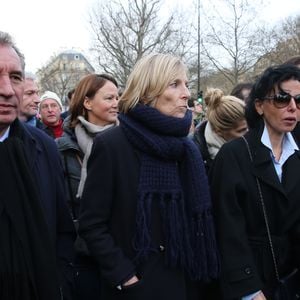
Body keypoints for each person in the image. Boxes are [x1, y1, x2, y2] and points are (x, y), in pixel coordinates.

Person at [78, 53, 219, 300]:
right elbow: (92, 224)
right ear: (146, 93)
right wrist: (126, 278)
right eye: (174, 84)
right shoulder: (112, 145)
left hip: (189, 283)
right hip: (140, 288)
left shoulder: (187, 148)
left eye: (186, 84)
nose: (186, 93)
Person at [209, 64, 300, 299]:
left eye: (299, 100)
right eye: (282, 98)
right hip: (251, 284)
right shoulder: (233, 155)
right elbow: (227, 229)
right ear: (259, 105)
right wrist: (248, 289)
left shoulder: (297, 154)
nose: (292, 107)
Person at [0, 31, 75, 299]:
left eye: (15, 77)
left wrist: (60, 282)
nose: (7, 90)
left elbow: (62, 228)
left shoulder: (44, 147)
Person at [56, 73, 119, 300]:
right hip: (80, 259)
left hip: (120, 256)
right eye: (109, 98)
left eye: (117, 97)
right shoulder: (62, 149)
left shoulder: (127, 143)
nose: (116, 103)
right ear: (87, 102)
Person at [193, 88, 247, 172]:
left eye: (250, 127)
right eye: (241, 131)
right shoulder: (194, 156)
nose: (248, 134)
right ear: (218, 131)